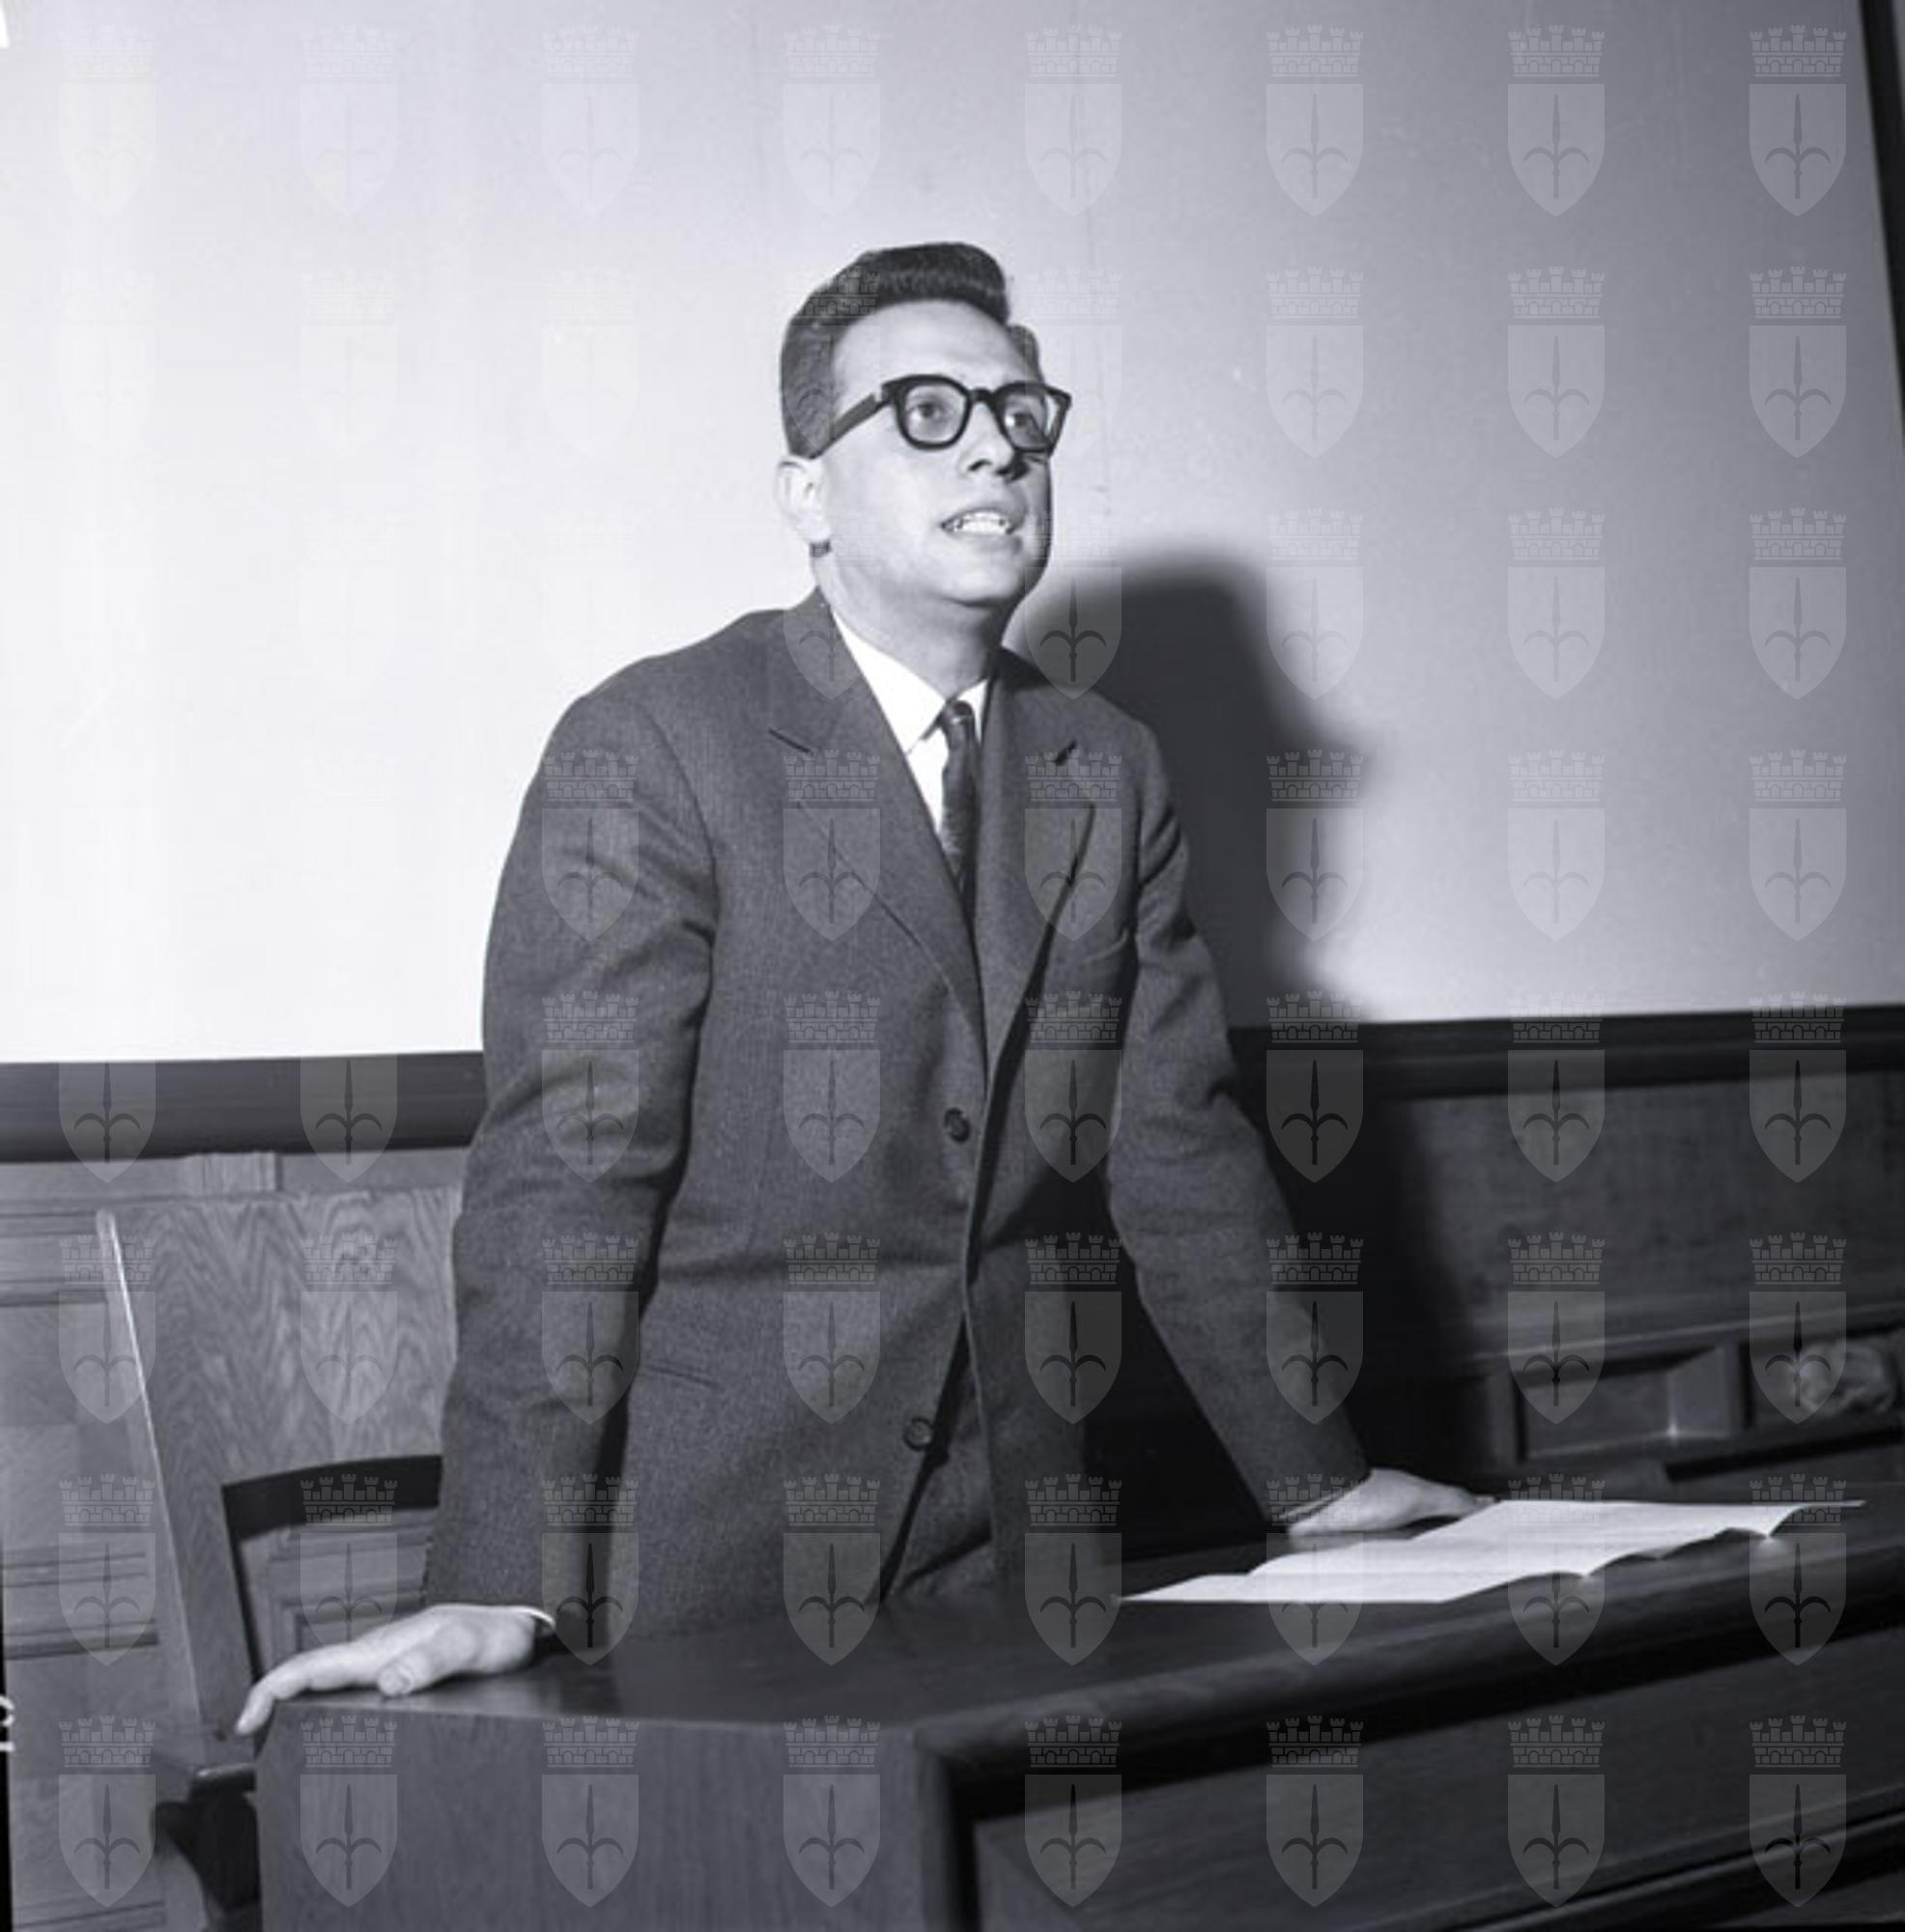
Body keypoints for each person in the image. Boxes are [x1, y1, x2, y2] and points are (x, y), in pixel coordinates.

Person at [238, 242, 1478, 1736]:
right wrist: (501, 1579)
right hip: (709, 1581)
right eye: (929, 413)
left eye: (1021, 415)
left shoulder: (1107, 767)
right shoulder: (653, 745)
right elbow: (566, 1189)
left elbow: (1178, 1147)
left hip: (1018, 1555)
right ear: (808, 495)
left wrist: (1316, 1480)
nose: (998, 453)